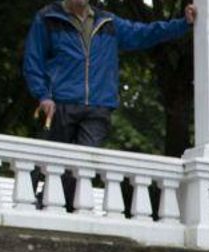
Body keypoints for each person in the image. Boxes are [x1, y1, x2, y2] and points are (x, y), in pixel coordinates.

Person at [24, 1, 196, 147]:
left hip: (98, 108)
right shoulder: (46, 18)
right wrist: (43, 96)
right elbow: (33, 61)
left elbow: (145, 33)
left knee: (82, 168)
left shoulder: (108, 22)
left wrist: (183, 23)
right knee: (50, 165)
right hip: (60, 104)